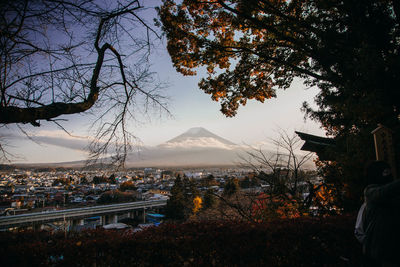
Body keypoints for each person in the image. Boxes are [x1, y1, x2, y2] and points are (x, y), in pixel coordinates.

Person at [362, 161, 400, 267]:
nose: (389, 175)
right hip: (381, 250)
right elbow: (382, 192)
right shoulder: (370, 191)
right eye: (386, 172)